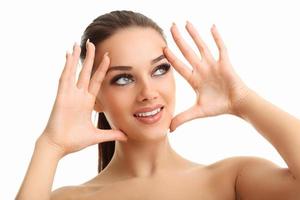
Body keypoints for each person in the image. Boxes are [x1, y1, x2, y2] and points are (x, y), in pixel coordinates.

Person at [16, 10, 300, 199]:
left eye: (160, 70)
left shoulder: (231, 179)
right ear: (95, 97)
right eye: (124, 79)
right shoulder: (69, 198)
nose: (148, 92)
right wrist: (50, 146)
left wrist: (243, 101)